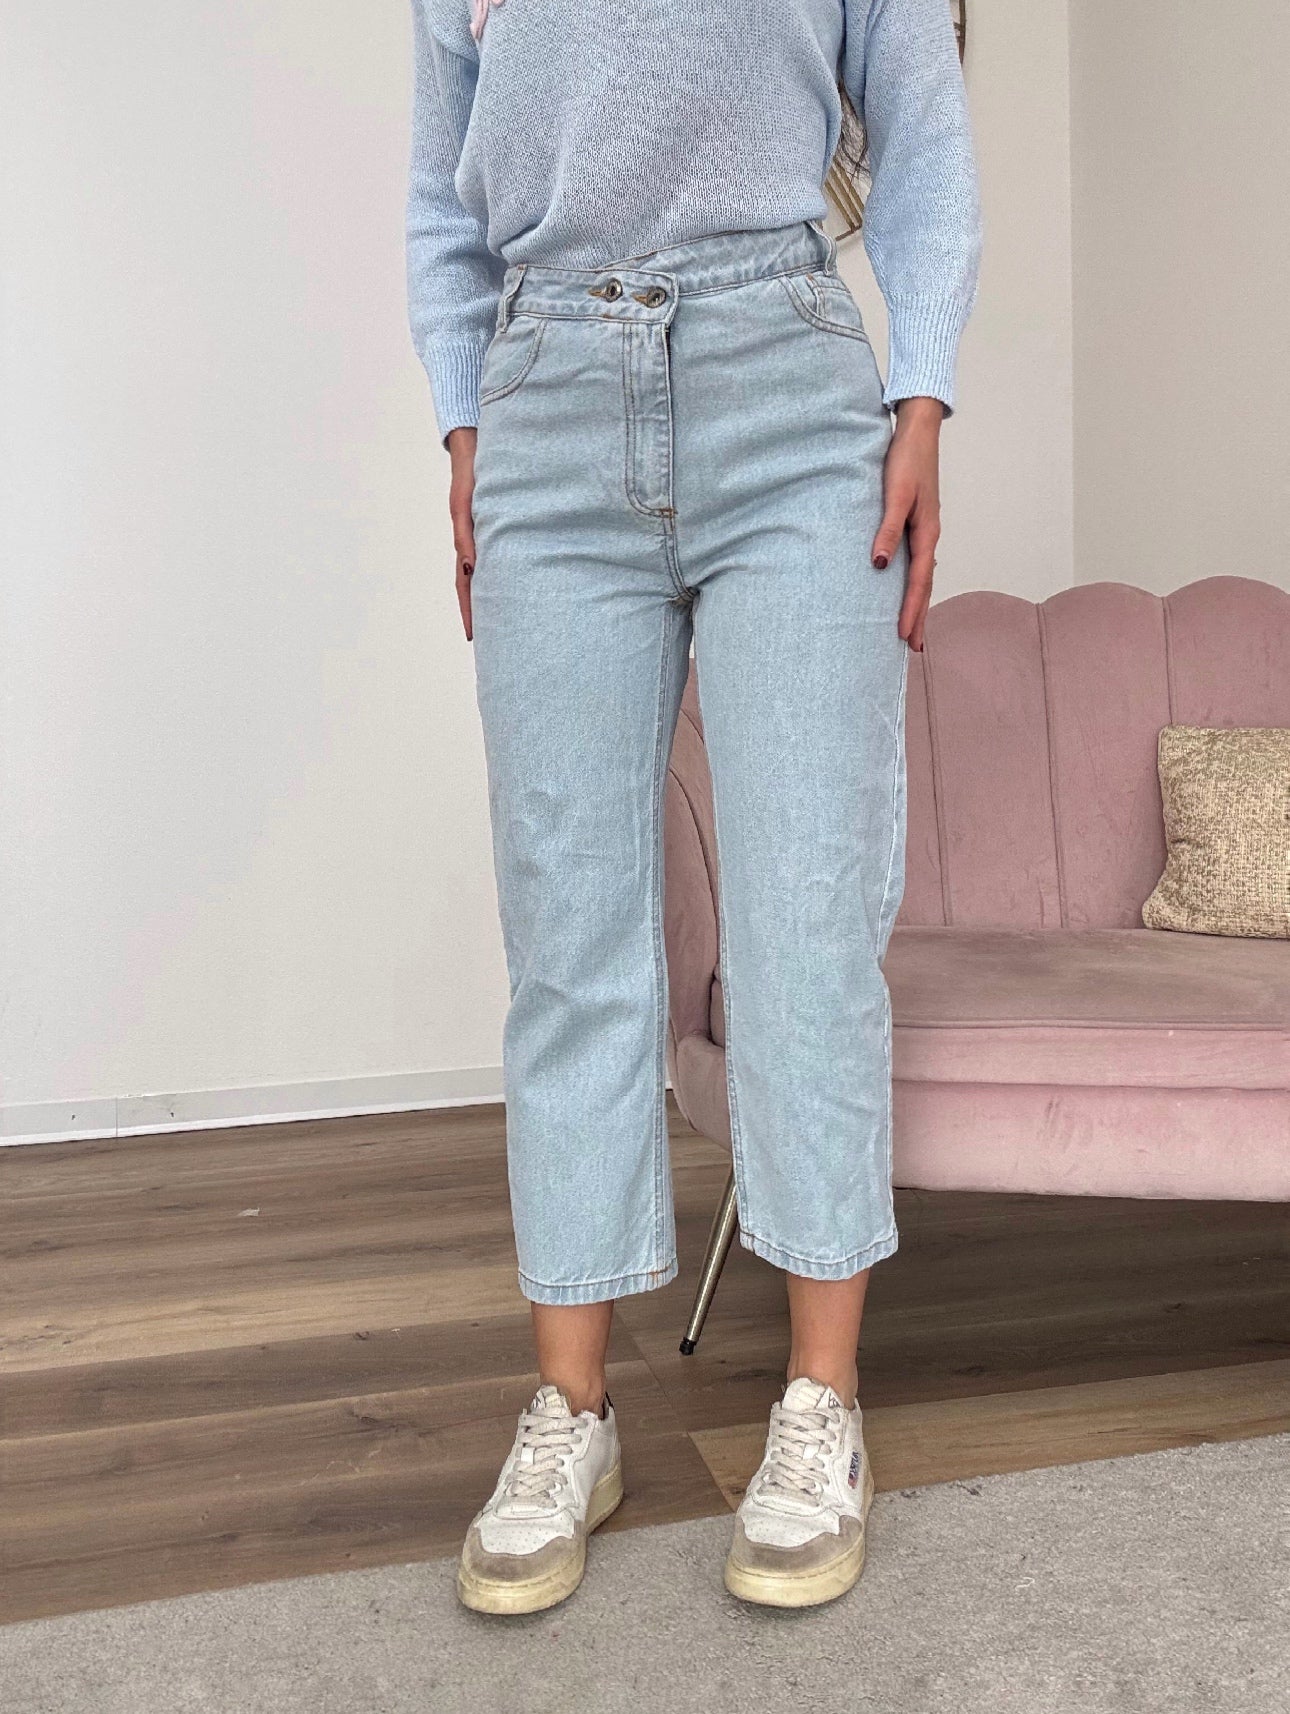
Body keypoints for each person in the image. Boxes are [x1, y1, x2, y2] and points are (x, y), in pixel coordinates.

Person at [405, 0, 982, 1614]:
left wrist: (922, 390)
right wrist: (462, 415)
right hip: (544, 391)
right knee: (571, 932)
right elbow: (442, 187)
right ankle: (571, 1413)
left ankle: (819, 1400)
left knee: (804, 922)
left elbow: (920, 128)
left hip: (786, 387)